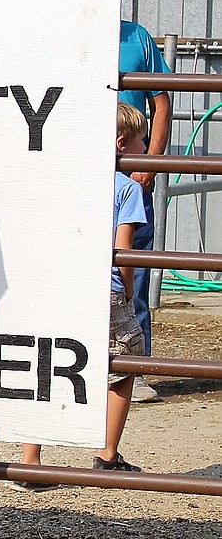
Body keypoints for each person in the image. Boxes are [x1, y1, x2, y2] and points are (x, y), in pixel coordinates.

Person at [13, 102, 149, 489]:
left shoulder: (64, 180)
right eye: (142, 144)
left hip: (58, 280)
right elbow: (122, 250)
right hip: (103, 289)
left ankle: (31, 461)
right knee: (125, 359)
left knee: (45, 360)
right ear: (122, 143)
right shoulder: (125, 188)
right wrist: (124, 291)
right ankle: (107, 456)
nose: (145, 152)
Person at [118, 20, 172, 403]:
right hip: (84, 169)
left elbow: (162, 98)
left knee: (132, 269)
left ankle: (133, 368)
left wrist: (150, 162)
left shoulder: (135, 36)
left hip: (129, 167)